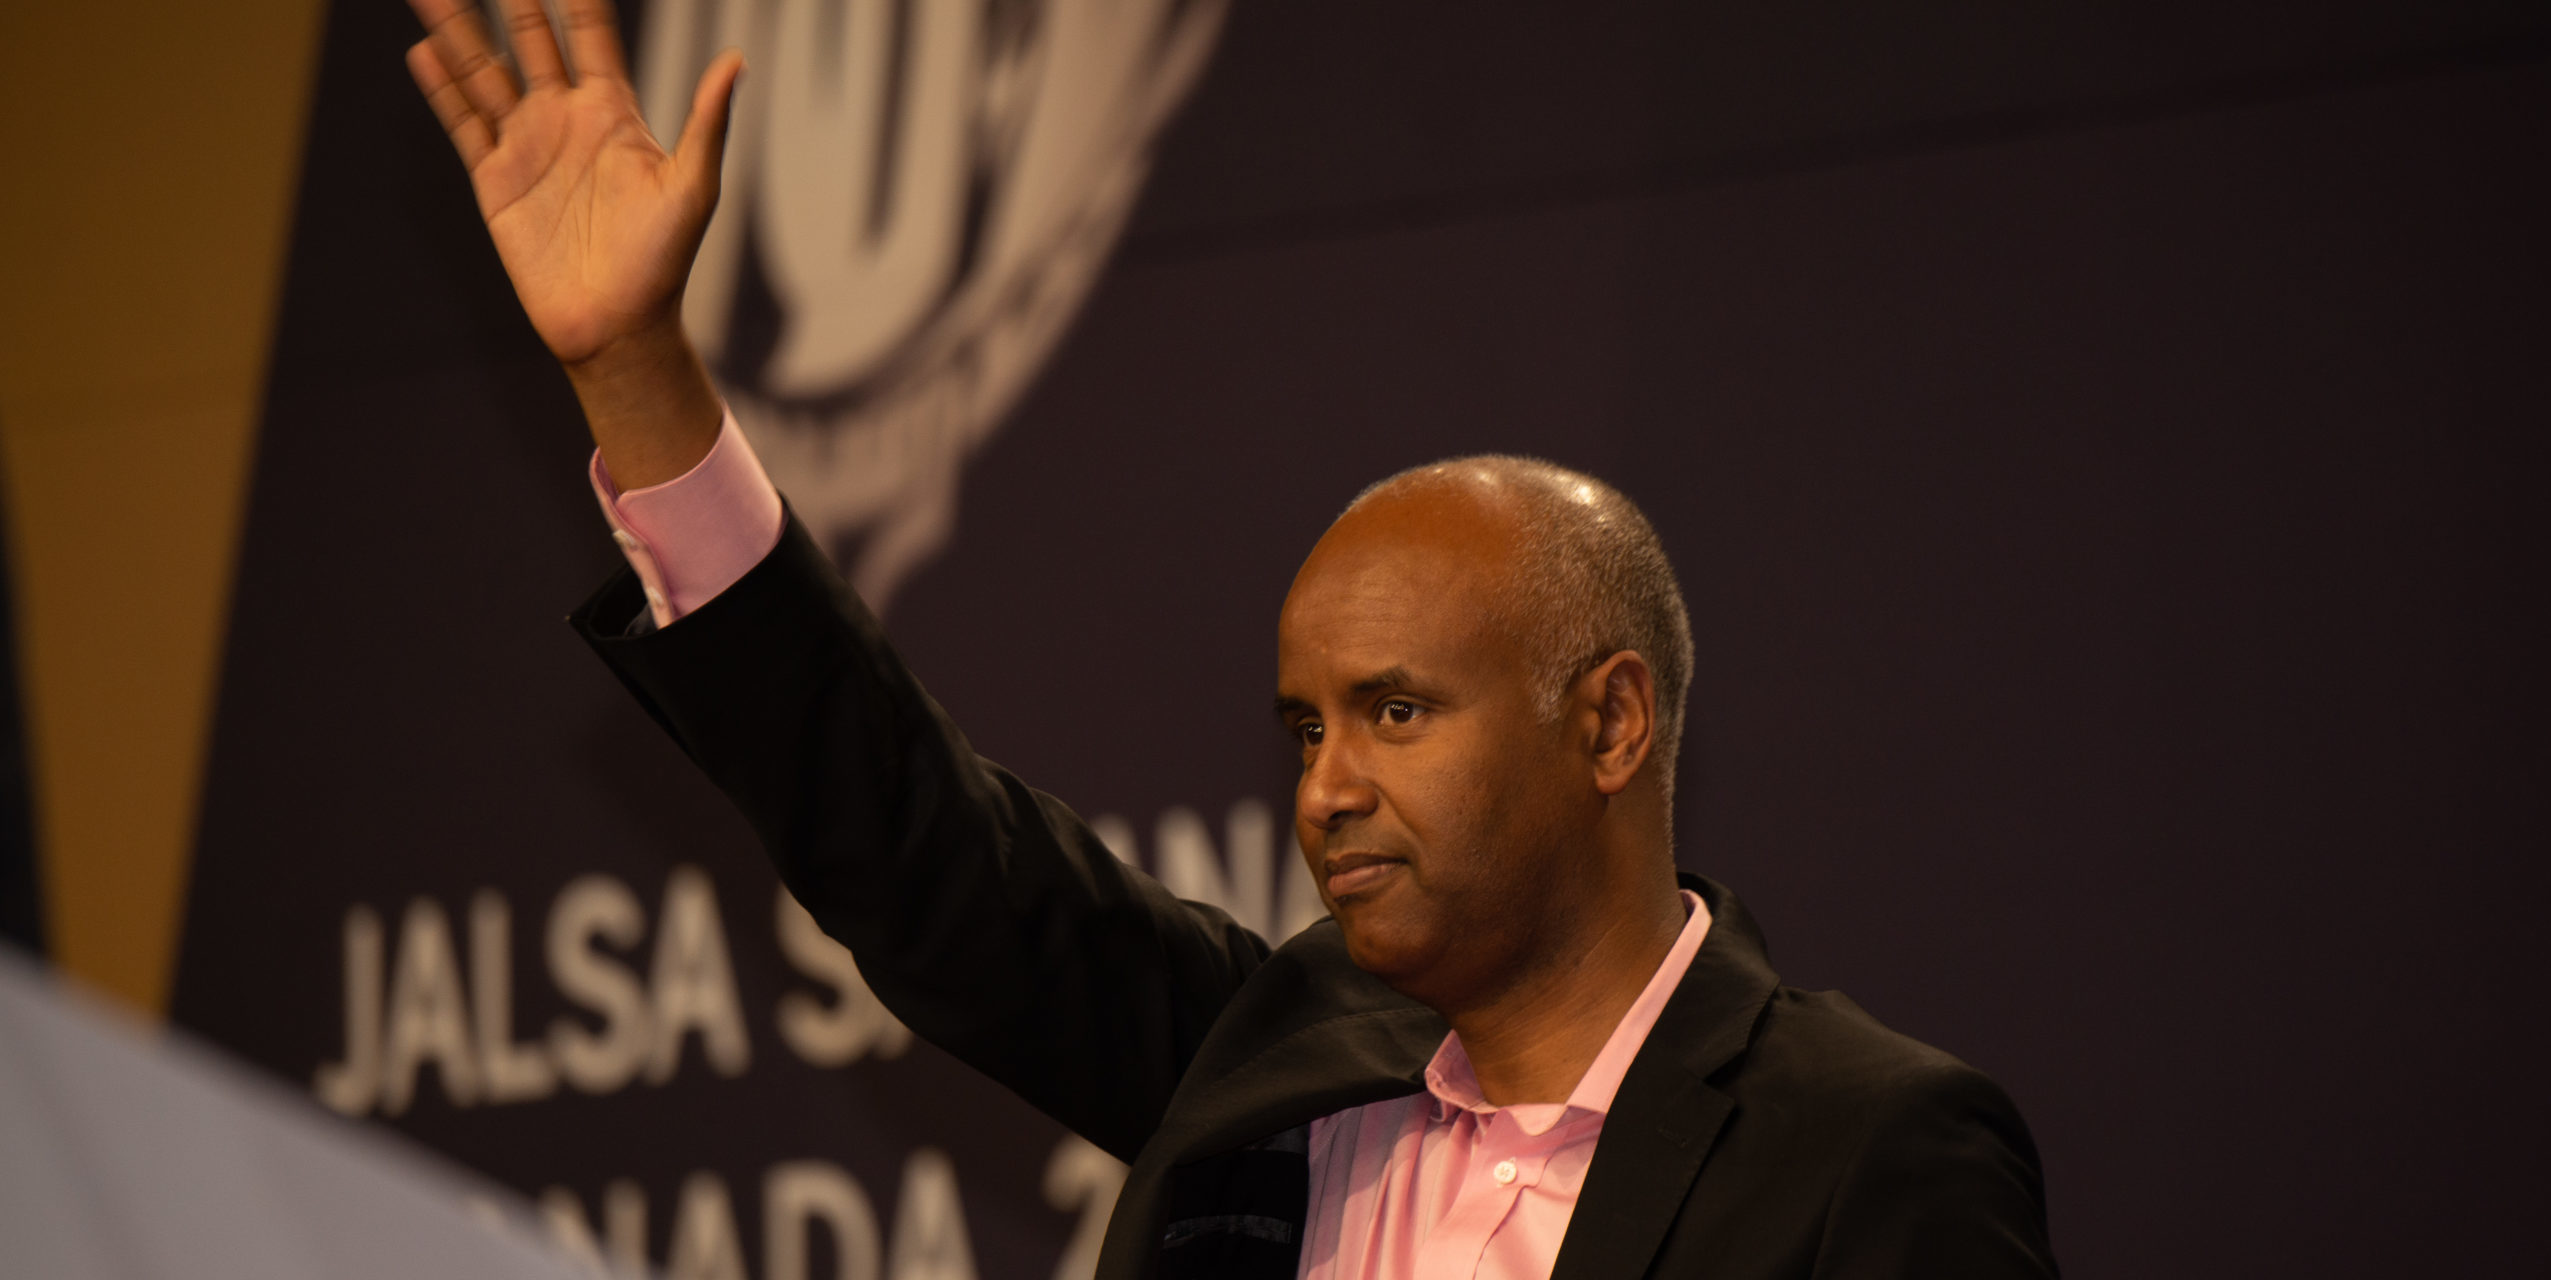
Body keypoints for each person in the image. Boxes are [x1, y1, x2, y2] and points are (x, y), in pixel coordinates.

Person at [402, 3, 2060, 1276]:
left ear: (1610, 725)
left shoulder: (1866, 1147)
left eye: (1396, 714)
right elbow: (923, 856)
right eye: (1305, 729)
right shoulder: (1275, 1061)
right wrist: (638, 375)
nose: (1327, 787)